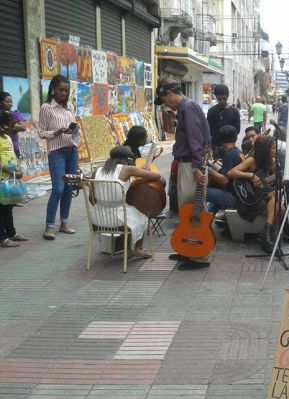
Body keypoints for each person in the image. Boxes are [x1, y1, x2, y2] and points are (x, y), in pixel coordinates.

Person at [154, 81, 211, 269]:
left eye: (164, 100)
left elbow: (195, 139)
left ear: (170, 94)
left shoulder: (187, 107)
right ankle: (188, 248)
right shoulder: (187, 107)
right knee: (186, 208)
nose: (166, 105)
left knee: (193, 208)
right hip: (186, 163)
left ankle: (199, 255)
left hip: (190, 164)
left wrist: (196, 168)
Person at [93, 146, 164, 258]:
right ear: (128, 160)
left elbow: (91, 199)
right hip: (118, 220)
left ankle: (127, 248)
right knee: (142, 214)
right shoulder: (127, 169)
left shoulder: (96, 171)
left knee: (129, 213)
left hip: (98, 218)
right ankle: (137, 249)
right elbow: (156, 176)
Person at [38, 74, 79, 240]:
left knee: (69, 188)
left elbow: (76, 132)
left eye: (67, 90)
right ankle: (49, 226)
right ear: (53, 90)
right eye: (61, 90)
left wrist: (73, 131)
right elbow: (41, 132)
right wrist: (56, 132)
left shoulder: (69, 106)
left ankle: (64, 222)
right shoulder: (46, 108)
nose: (64, 93)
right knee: (58, 189)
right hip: (56, 153)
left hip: (72, 151)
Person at [228, 134, 279, 253]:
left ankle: (267, 236)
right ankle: (268, 237)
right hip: (249, 199)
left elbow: (274, 183)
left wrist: (283, 181)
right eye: (272, 148)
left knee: (280, 204)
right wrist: (251, 175)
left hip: (262, 196)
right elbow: (230, 173)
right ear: (265, 150)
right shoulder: (252, 160)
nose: (275, 151)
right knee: (276, 200)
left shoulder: (273, 162)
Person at [0, 111, 28, 247]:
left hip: (10, 176)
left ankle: (11, 233)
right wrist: (12, 173)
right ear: (2, 126)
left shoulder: (7, 137)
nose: (13, 129)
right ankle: (2, 238)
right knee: (1, 208)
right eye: (10, 126)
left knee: (8, 206)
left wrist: (17, 168)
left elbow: (12, 154)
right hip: (2, 178)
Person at [206, 125, 242, 213]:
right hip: (239, 195)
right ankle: (211, 216)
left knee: (198, 192)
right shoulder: (237, 152)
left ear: (221, 140)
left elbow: (225, 180)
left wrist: (210, 173)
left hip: (234, 198)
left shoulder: (229, 155)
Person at [207, 84, 240, 158]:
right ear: (216, 98)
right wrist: (209, 146)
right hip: (215, 146)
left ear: (227, 97)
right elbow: (208, 130)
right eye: (219, 99)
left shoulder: (234, 111)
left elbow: (237, 130)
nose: (222, 101)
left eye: (224, 98)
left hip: (230, 146)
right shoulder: (211, 111)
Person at [0, 92, 27, 159]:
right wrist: (15, 126)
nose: (10, 104)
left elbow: (23, 127)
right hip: (3, 148)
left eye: (11, 102)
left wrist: (10, 125)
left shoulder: (15, 113)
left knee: (15, 166)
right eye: (7, 101)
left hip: (14, 147)